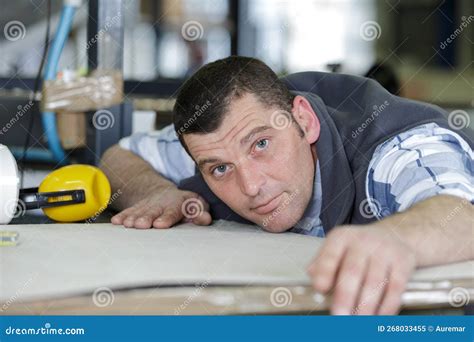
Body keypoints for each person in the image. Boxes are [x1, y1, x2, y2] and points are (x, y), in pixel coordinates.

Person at [100, 56, 473, 315]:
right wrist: (156, 192)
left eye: (261, 145)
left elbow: (458, 214)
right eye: (219, 170)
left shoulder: (392, 147)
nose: (250, 186)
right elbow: (119, 156)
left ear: (304, 122)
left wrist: (395, 239)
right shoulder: (218, 138)